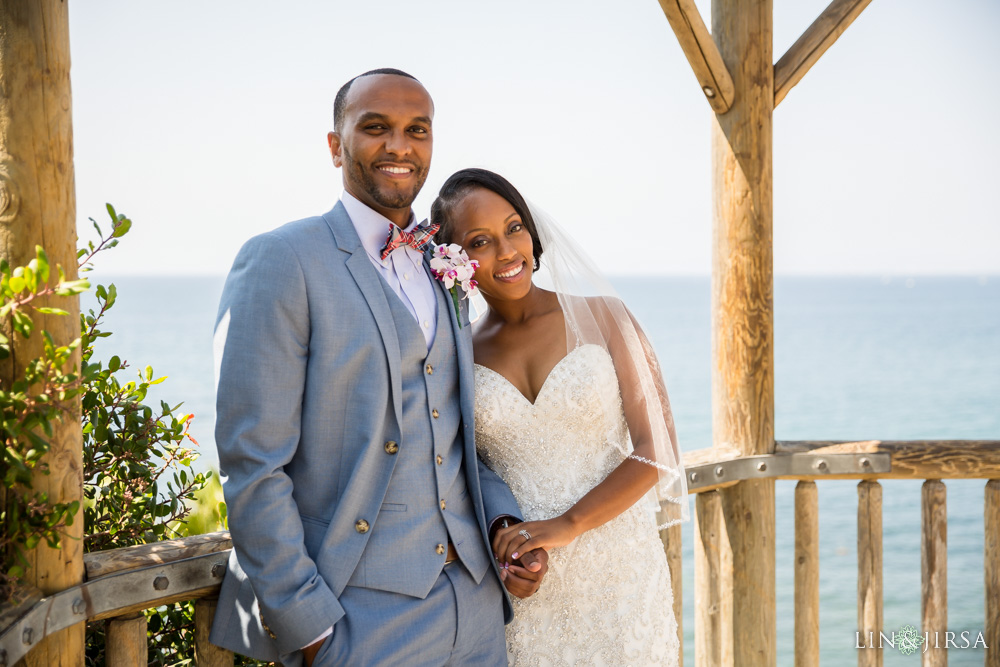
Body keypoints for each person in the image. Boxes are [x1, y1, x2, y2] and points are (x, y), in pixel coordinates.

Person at [209, 71, 548, 667]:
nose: (399, 145)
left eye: (416, 130)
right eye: (375, 128)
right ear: (336, 146)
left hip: (476, 607)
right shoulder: (283, 259)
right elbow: (251, 461)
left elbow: (456, 430)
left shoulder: (444, 263)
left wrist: (503, 525)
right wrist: (309, 627)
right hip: (358, 620)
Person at [430, 168, 689, 665]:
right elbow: (462, 475)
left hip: (623, 577)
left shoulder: (607, 317)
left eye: (514, 227)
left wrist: (569, 524)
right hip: (529, 581)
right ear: (454, 260)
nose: (507, 252)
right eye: (480, 241)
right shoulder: (454, 356)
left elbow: (659, 449)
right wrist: (503, 550)